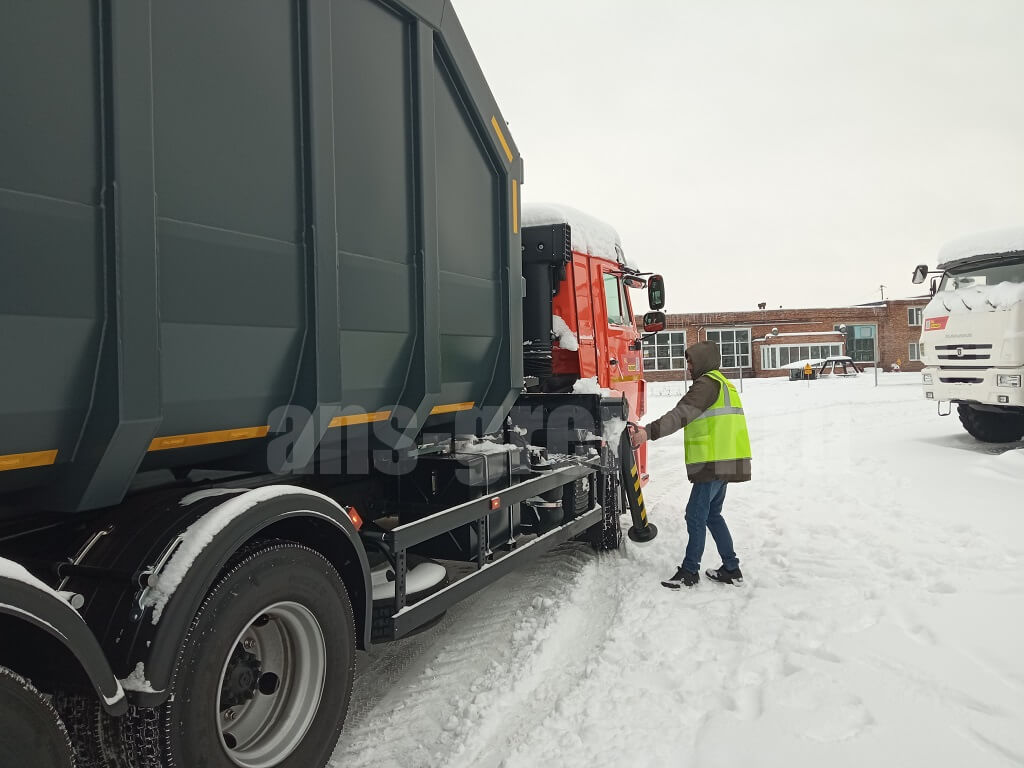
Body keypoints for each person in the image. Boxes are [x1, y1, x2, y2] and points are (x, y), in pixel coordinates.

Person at [630, 340, 752, 589]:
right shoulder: (723, 383)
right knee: (712, 515)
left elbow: (681, 414)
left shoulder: (707, 384)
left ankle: (689, 572)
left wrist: (647, 433)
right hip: (726, 459)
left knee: (695, 515)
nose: (688, 366)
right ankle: (731, 568)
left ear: (703, 361)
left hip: (713, 462)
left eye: (691, 361)